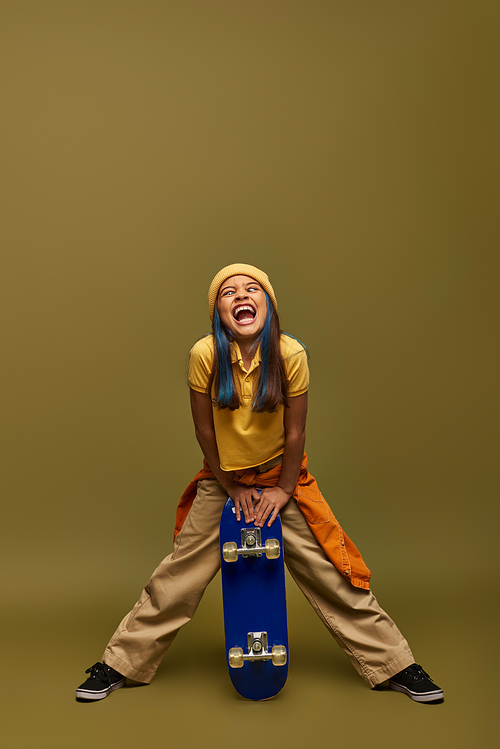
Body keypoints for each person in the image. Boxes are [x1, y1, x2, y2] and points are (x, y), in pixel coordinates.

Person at [76, 263, 443, 704]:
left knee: (332, 573)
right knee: (178, 578)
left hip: (281, 478)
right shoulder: (205, 354)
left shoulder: (290, 354)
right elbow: (205, 433)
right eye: (228, 292)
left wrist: (283, 490)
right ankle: (119, 664)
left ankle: (395, 664)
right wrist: (231, 488)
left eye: (252, 289)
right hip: (224, 481)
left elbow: (295, 433)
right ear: (218, 312)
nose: (241, 296)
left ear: (268, 305)